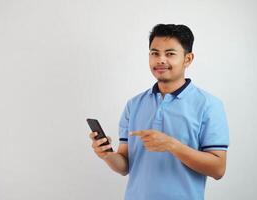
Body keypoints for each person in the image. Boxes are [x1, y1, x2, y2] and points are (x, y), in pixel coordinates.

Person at [89, 24, 229, 200]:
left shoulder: (209, 105)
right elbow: (124, 166)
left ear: (188, 59)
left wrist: (172, 146)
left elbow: (218, 169)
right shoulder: (134, 104)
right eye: (154, 53)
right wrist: (107, 155)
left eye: (170, 54)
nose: (160, 60)